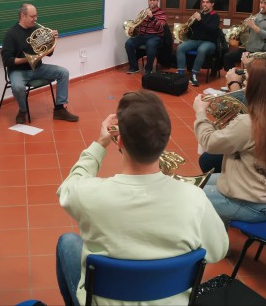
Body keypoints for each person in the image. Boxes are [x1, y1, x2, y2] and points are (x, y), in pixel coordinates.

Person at [56, 90, 228, 306]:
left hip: (104, 299)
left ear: (120, 143)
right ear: (164, 143)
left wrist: (100, 143)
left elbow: (67, 188)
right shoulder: (195, 198)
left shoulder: (88, 195)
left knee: (67, 242)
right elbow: (218, 251)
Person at [194, 57, 266, 223]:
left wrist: (200, 113)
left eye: (246, 80)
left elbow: (209, 143)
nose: (244, 84)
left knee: (186, 199)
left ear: (258, 87)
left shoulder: (249, 123)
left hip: (249, 203)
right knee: (196, 184)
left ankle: (212, 242)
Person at [1, 3, 79, 124]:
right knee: (17, 87)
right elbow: (7, 60)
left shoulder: (37, 30)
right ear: (23, 15)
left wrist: (52, 41)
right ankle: (22, 110)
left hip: (38, 68)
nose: (35, 19)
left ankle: (59, 109)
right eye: (32, 16)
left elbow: (48, 53)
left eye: (36, 16)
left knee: (63, 72)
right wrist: (27, 59)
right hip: (18, 71)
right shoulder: (11, 34)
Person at [223, 0, 266, 70]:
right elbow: (246, 35)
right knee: (228, 57)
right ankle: (234, 77)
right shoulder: (256, 16)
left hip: (262, 52)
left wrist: (253, 26)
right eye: (261, 2)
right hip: (250, 48)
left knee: (252, 68)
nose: (262, 5)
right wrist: (240, 32)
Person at [176, 0, 220, 87]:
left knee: (202, 49)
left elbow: (211, 31)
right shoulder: (198, 14)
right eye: (203, 2)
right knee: (180, 47)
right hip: (196, 41)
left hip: (210, 42)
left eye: (207, 2)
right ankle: (181, 74)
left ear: (212, 4)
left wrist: (200, 20)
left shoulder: (215, 16)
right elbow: (191, 30)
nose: (204, 4)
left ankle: (193, 75)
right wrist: (187, 27)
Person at [124, 0, 167, 75]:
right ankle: (134, 67)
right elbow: (138, 23)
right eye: (150, 0)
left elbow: (160, 27)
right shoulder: (143, 12)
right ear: (148, 1)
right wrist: (133, 28)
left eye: (154, 0)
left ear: (157, 1)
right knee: (128, 43)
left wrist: (152, 17)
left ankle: (148, 68)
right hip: (142, 35)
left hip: (155, 36)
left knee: (151, 44)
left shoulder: (162, 13)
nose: (152, 2)